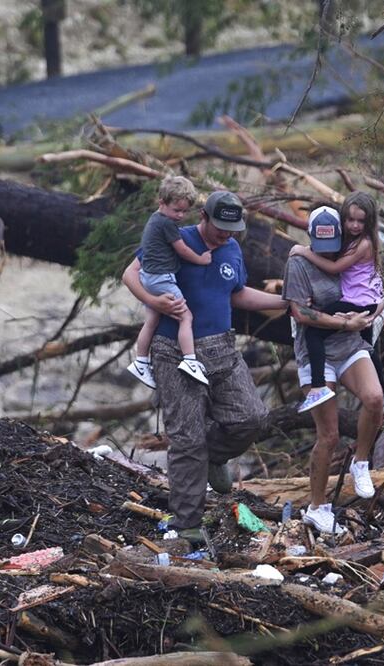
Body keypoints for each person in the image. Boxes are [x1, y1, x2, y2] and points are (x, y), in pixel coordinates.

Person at [122, 191, 286, 544]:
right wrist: (153, 301)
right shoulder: (174, 235)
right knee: (186, 439)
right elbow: (130, 274)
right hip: (173, 351)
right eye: (220, 227)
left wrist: (283, 301)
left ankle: (212, 457)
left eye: (232, 229)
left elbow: (237, 293)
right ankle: (187, 524)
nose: (225, 234)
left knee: (251, 416)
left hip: (222, 348)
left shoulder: (232, 249)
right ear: (203, 216)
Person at [283, 199, 384, 535]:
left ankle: (362, 462)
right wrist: (342, 322)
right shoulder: (298, 264)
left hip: (349, 344)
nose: (328, 251)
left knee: (374, 398)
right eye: (321, 246)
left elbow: (366, 281)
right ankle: (317, 507)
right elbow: (300, 313)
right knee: (329, 435)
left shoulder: (349, 245)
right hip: (317, 354)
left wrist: (372, 309)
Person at [289, 193, 384, 413]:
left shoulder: (362, 244)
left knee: (313, 333)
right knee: (368, 345)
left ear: (369, 222)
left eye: (360, 221)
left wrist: (303, 250)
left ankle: (318, 386)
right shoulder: (353, 243)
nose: (354, 225)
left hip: (358, 303)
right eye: (350, 220)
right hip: (364, 303)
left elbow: (334, 269)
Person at [127, 176, 212, 388]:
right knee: (186, 316)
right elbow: (182, 250)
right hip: (160, 278)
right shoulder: (167, 224)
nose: (180, 216)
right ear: (161, 202)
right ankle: (190, 360)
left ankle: (140, 360)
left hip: (148, 277)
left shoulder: (156, 219)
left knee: (152, 319)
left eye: (184, 212)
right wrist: (201, 259)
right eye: (177, 210)